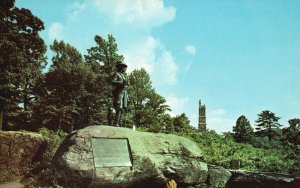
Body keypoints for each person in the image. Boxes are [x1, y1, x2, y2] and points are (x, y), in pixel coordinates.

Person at [112, 61, 129, 126]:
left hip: (124, 92)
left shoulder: (124, 76)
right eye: (124, 67)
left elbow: (126, 85)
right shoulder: (117, 74)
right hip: (119, 92)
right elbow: (113, 81)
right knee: (119, 107)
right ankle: (116, 122)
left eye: (125, 67)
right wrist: (121, 82)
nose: (125, 68)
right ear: (120, 67)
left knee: (123, 108)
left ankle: (120, 122)